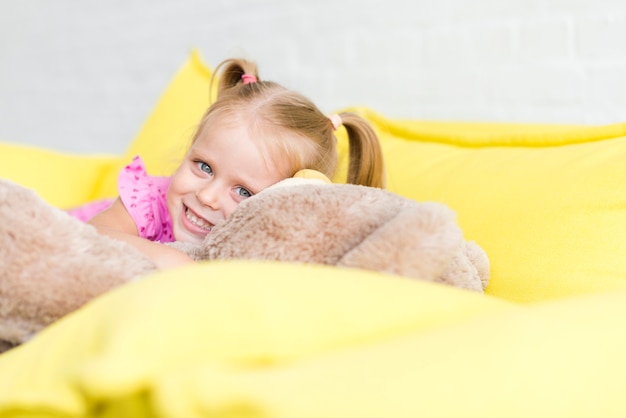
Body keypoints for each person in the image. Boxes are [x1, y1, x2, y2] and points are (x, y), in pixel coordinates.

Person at [71, 58, 386, 269]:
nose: (207, 196)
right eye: (204, 166)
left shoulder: (268, 248)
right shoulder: (149, 201)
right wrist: (179, 265)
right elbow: (91, 237)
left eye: (243, 192)